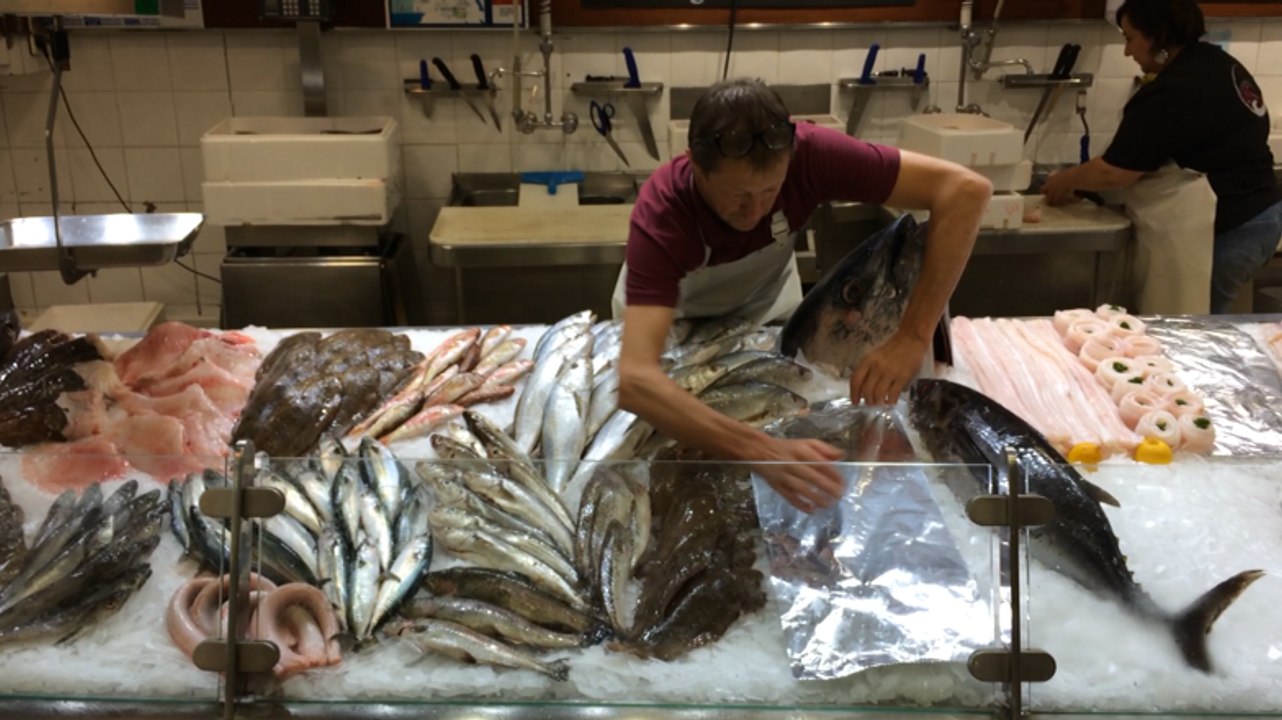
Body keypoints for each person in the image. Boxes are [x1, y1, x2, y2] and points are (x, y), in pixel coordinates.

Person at [612, 78, 991, 512]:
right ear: (694, 163)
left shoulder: (811, 155)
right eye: (737, 197)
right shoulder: (664, 209)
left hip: (761, 311)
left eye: (769, 193)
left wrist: (912, 336)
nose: (754, 212)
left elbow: (965, 191)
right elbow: (637, 382)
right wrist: (762, 449)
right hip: (669, 322)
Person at [1042, 0, 1281, 314]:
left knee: (1193, 335)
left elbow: (1114, 173)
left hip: (1228, 228)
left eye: (1130, 38)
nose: (1127, 52)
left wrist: (1063, 181)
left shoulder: (1171, 91)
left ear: (1158, 36)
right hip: (1264, 215)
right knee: (1210, 325)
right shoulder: (1218, 62)